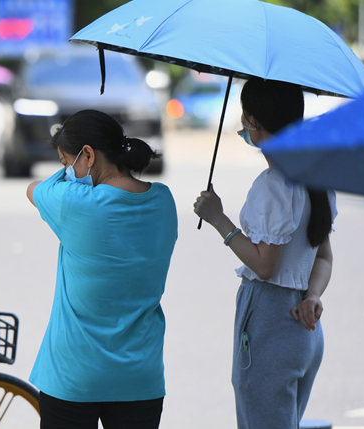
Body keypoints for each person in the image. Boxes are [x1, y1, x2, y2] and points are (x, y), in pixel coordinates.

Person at [193, 77, 337, 429]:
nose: (243, 125)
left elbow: (265, 264)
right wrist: (312, 295)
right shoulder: (317, 178)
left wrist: (218, 220)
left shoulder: (273, 184)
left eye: (245, 117)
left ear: (254, 121)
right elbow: (323, 256)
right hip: (304, 329)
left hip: (271, 324)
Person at [25, 109, 178, 429]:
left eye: (67, 163)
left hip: (73, 374)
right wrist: (74, 163)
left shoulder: (76, 202)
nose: (67, 172)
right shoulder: (163, 201)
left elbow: (33, 189)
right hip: (140, 376)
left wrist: (66, 174)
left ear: (89, 155)